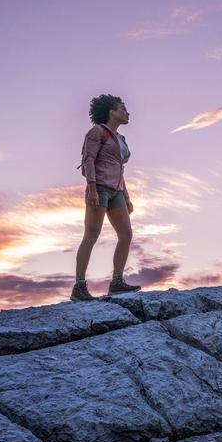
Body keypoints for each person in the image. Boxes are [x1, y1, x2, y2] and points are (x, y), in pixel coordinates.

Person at [71, 94, 142, 301]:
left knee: (126, 234)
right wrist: (92, 189)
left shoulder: (120, 139)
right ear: (111, 111)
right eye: (122, 108)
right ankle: (79, 286)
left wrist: (126, 196)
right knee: (91, 235)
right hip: (99, 189)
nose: (127, 112)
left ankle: (117, 282)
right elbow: (88, 161)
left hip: (117, 191)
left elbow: (120, 169)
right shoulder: (97, 132)